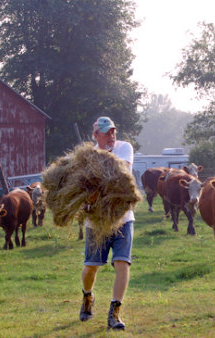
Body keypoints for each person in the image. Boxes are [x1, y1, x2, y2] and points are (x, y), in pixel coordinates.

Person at [80, 116, 134, 331]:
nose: (111, 136)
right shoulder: (86, 156)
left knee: (122, 263)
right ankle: (87, 296)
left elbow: (121, 172)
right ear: (95, 135)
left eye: (113, 131)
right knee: (91, 267)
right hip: (96, 222)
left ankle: (115, 312)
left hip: (123, 218)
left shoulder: (124, 147)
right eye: (106, 132)